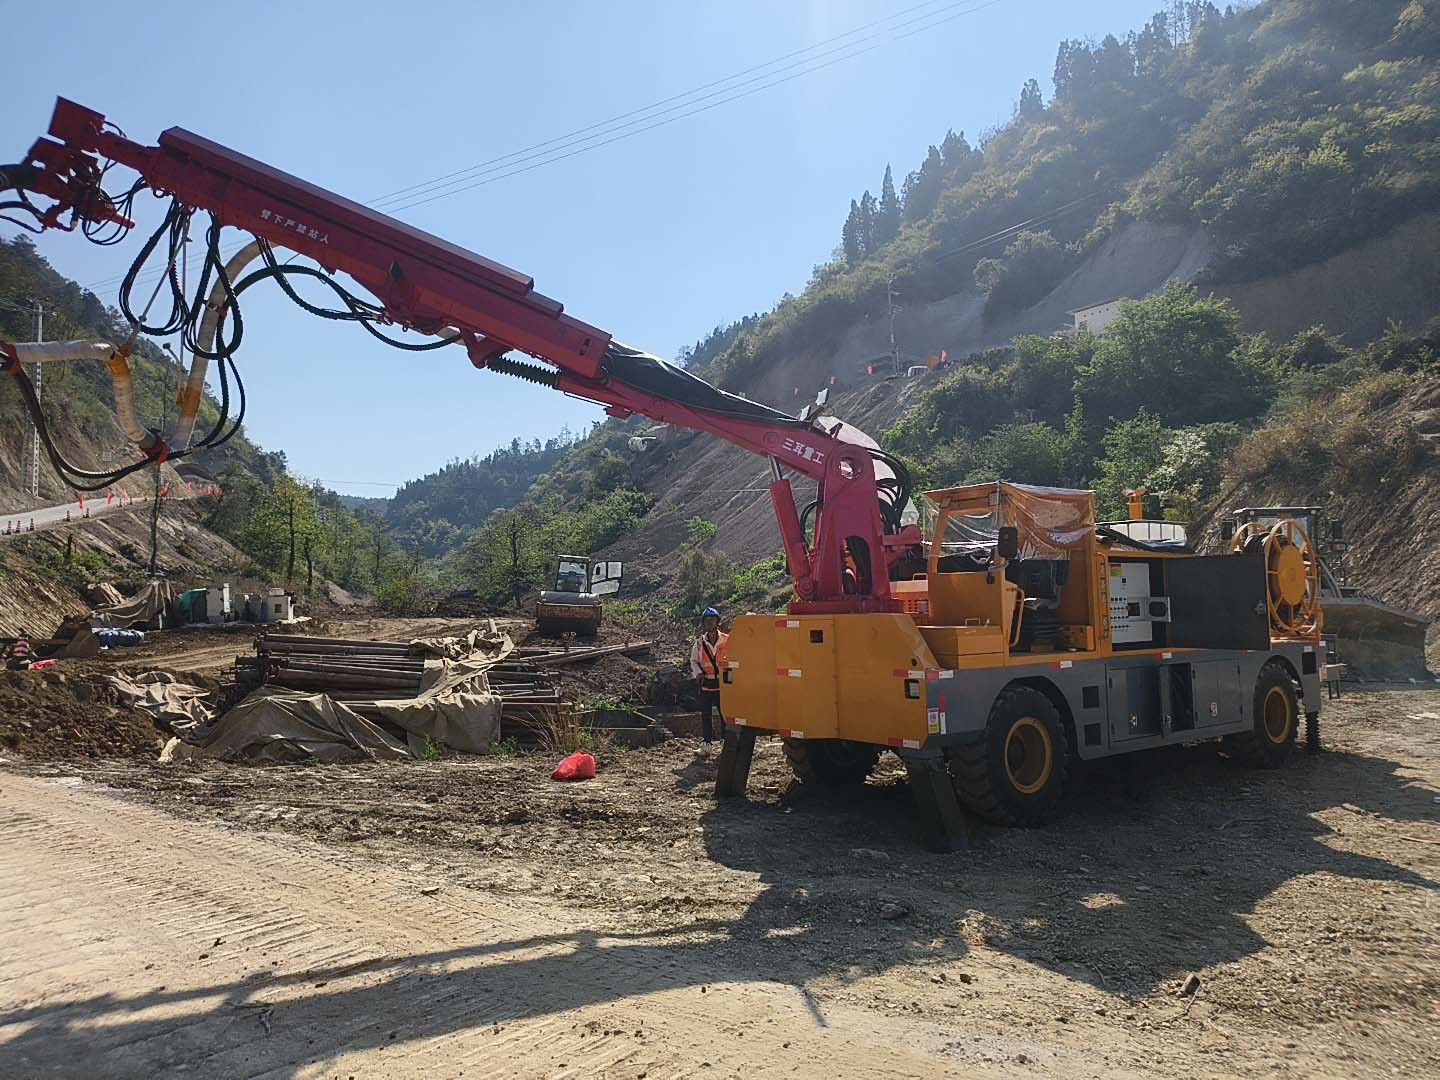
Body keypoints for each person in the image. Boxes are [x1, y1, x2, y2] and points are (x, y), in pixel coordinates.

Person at [689, 606, 729, 745]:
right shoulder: (699, 643)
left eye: (712, 620)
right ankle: (707, 742)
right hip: (706, 683)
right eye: (707, 620)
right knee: (706, 715)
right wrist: (698, 674)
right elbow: (694, 661)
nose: (710, 622)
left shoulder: (727, 640)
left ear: (717, 621)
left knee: (725, 714)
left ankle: (725, 740)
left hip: (724, 683)